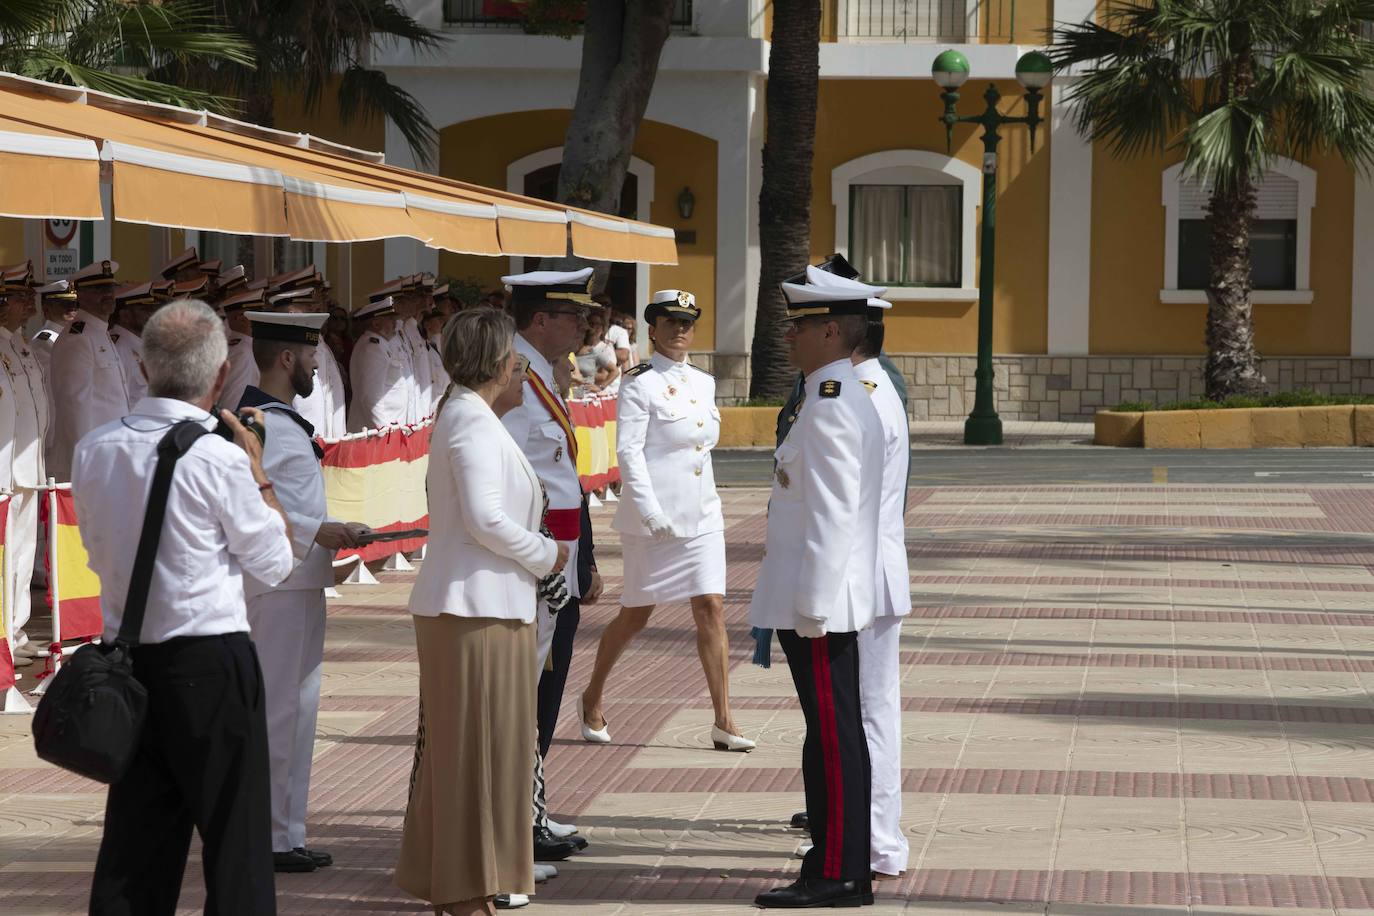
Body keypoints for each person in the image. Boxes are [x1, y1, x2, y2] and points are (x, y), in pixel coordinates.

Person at [75, 298, 294, 915]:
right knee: (236, 847)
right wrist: (259, 469)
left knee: (135, 847)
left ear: (144, 368)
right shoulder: (218, 457)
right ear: (220, 375)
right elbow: (276, 562)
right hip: (209, 661)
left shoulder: (95, 448)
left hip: (129, 662)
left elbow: (95, 550)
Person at [395, 307, 566, 916]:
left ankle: (463, 888)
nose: (524, 376)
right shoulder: (468, 419)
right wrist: (548, 554)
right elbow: (485, 518)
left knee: (482, 757)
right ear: (497, 364)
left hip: (489, 608)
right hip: (472, 611)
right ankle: (466, 894)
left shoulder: (475, 416)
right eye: (518, 364)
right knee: (475, 760)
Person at [749, 274, 885, 909]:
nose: (790, 334)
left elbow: (832, 517)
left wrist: (813, 606)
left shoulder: (831, 403)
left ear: (830, 330)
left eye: (799, 325)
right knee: (834, 733)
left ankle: (838, 871)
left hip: (820, 604)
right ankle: (839, 861)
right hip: (817, 599)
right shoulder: (833, 395)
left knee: (833, 736)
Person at [578, 290, 753, 752]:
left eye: (687, 321)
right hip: (654, 518)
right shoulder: (638, 382)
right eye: (669, 321)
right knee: (635, 615)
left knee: (711, 607)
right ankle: (592, 694)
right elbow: (629, 451)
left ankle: (723, 719)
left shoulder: (704, 381)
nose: (680, 329)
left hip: (702, 513)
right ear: (652, 328)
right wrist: (649, 509)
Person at [238, 310, 369, 875]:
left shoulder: (280, 420)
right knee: (275, 710)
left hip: (302, 579)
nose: (317, 363)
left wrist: (326, 529)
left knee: (298, 711)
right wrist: (319, 530)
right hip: (275, 584)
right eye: (311, 354)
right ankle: (264, 836)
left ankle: (285, 833)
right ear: (287, 358)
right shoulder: (254, 422)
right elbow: (244, 499)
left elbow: (293, 502)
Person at [500, 268, 601, 861]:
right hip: (537, 560)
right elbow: (520, 483)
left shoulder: (539, 373)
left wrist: (582, 554)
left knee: (549, 680)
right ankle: (521, 818)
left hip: (557, 557)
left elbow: (565, 480)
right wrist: (550, 558)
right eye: (572, 315)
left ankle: (532, 807)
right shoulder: (515, 374)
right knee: (533, 685)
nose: (584, 325)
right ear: (539, 319)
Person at [0, 265, 48, 667]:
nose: (28, 302)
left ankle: (17, 629)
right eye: (20, 297)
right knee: (8, 556)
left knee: (22, 554)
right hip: (7, 471)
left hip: (27, 467)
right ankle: (5, 637)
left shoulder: (19, 345)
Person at [48, 259, 129, 481]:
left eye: (111, 288)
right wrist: (87, 462)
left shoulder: (99, 333)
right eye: (99, 289)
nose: (108, 295)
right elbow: (74, 405)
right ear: (80, 294)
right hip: (89, 464)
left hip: (109, 458)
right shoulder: (78, 338)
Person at [348, 295, 409, 431]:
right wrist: (382, 431)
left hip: (391, 425)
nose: (395, 324)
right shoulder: (373, 347)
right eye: (391, 320)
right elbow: (370, 397)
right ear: (376, 324)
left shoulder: (381, 345)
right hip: (379, 430)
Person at [111, 283, 159, 409]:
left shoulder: (142, 345)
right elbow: (116, 400)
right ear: (125, 315)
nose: (152, 315)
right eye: (144, 310)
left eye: (151, 309)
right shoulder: (118, 347)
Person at [222, 284, 262, 412]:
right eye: (258, 313)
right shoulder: (242, 354)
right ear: (242, 319)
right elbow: (233, 406)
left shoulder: (240, 348)